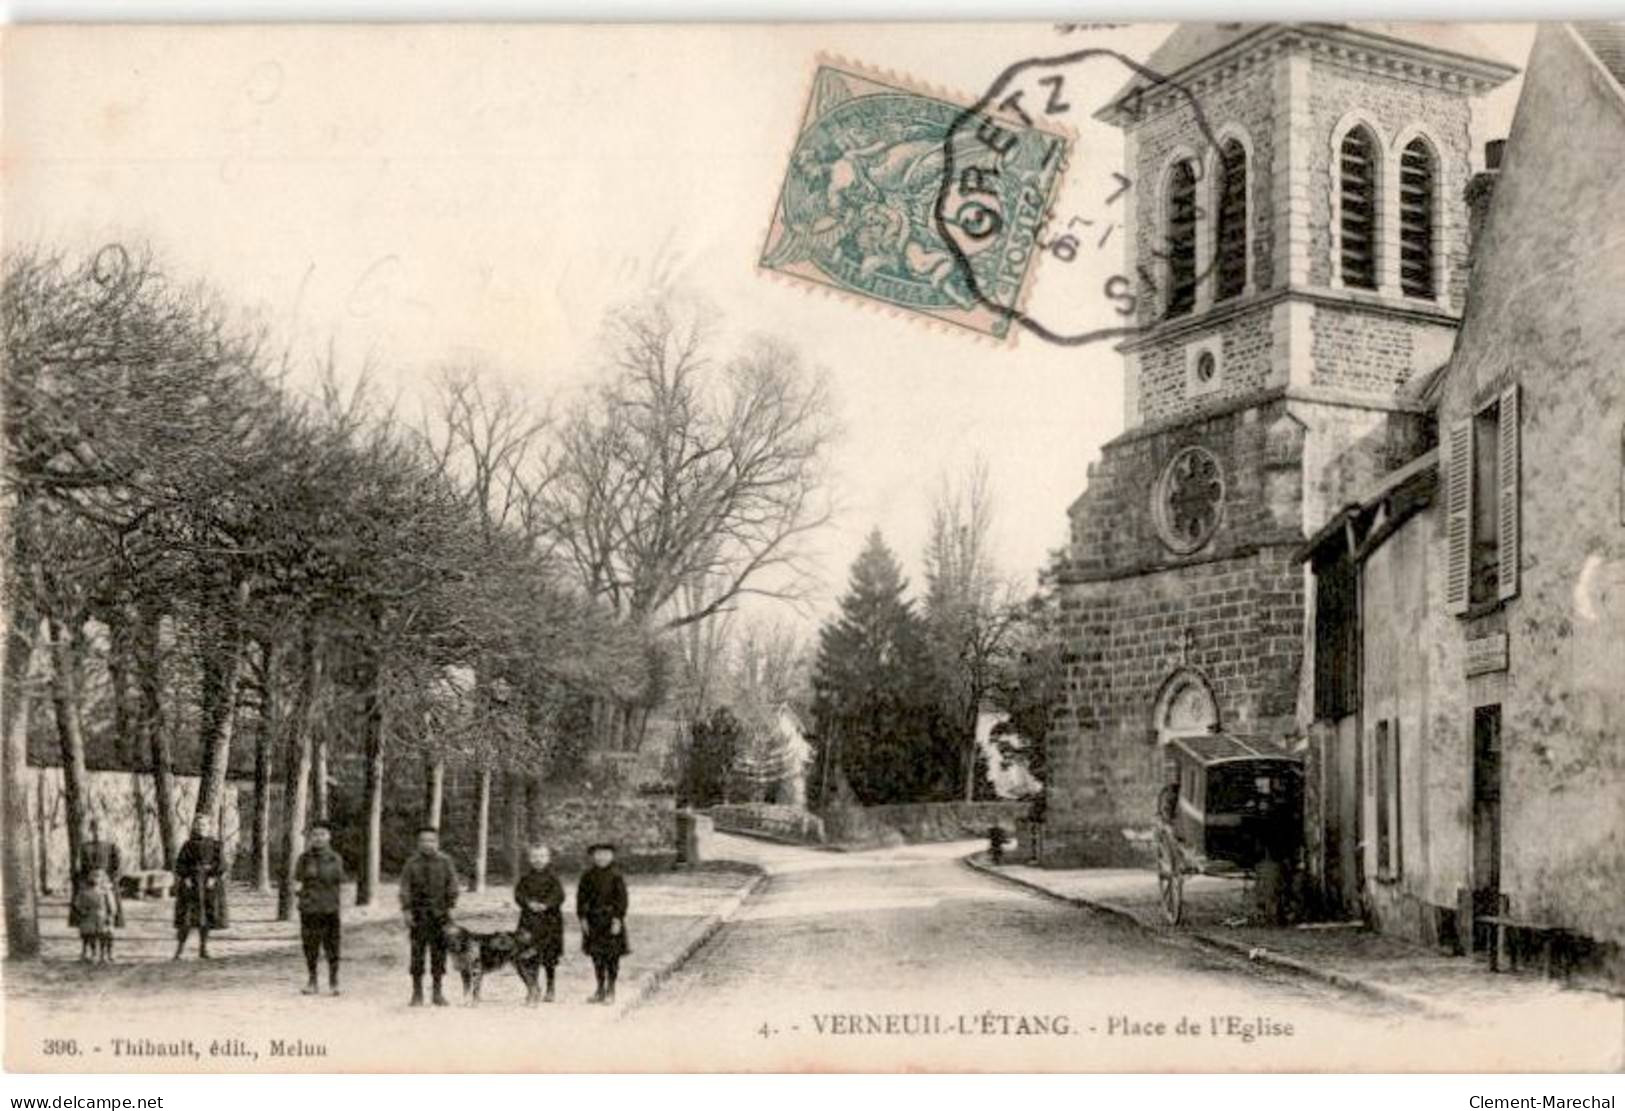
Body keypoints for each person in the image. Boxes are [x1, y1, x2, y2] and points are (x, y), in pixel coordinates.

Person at [399, 826, 459, 1007]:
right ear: (418, 843)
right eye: (423, 840)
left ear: (437, 842)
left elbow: (453, 885)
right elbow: (405, 888)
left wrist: (451, 906)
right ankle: (416, 993)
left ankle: (437, 992)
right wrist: (407, 910)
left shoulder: (445, 862)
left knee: (439, 954)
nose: (427, 844)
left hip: (440, 915)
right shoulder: (411, 864)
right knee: (417, 954)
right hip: (419, 916)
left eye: (431, 840)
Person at [294, 823, 346, 996]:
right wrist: (300, 892)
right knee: (310, 945)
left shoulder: (335, 858)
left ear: (329, 836)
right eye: (315, 834)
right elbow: (297, 880)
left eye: (322, 834)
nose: (318, 838)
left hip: (330, 908)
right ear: (310, 837)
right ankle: (312, 980)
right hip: (309, 909)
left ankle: (334, 981)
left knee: (332, 946)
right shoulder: (304, 859)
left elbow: (339, 881)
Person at [576, 841, 629, 1004]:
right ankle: (600, 988)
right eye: (598, 854)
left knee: (612, 956)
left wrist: (617, 919)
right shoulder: (587, 876)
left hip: (611, 920)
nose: (602, 857)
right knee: (597, 956)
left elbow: (622, 900)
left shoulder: (616, 876)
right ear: (593, 856)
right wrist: (583, 918)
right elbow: (581, 899)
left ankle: (611, 989)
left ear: (612, 856)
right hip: (593, 921)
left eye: (606, 854)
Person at [514, 844, 564, 1003]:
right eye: (535, 856)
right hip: (529, 921)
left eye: (542, 856)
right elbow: (518, 895)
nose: (538, 860)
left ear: (548, 859)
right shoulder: (525, 878)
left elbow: (559, 895)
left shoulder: (553, 878)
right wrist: (528, 903)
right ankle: (533, 987)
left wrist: (546, 905)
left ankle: (550, 988)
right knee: (527, 955)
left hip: (550, 922)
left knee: (549, 957)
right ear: (529, 859)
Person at [173, 816, 227, 960]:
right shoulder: (188, 845)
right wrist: (186, 877)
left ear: (209, 827)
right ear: (194, 827)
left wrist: (213, 877)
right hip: (191, 884)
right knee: (187, 918)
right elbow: (180, 864)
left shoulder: (216, 845)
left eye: (204, 825)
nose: (201, 827)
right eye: (198, 825)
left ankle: (203, 948)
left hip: (208, 885)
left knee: (206, 918)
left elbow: (221, 864)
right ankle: (179, 950)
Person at [71, 816, 125, 933]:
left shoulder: (111, 847)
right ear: (91, 830)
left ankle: (111, 922)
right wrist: (84, 879)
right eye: (95, 829)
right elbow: (79, 868)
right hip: (88, 882)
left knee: (111, 900)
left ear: (105, 831)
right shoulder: (84, 848)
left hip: (106, 882)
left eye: (100, 829)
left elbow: (118, 868)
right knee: (81, 899)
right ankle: (83, 927)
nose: (97, 833)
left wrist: (110, 880)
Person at [74, 868, 117, 963]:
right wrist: (82, 911)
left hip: (102, 916)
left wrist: (110, 915)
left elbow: (112, 905)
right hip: (89, 917)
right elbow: (78, 903)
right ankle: (92, 953)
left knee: (105, 935)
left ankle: (104, 954)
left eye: (98, 877)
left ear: (102, 879)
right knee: (90, 934)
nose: (95, 879)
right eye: (93, 876)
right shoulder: (84, 891)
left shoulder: (106, 892)